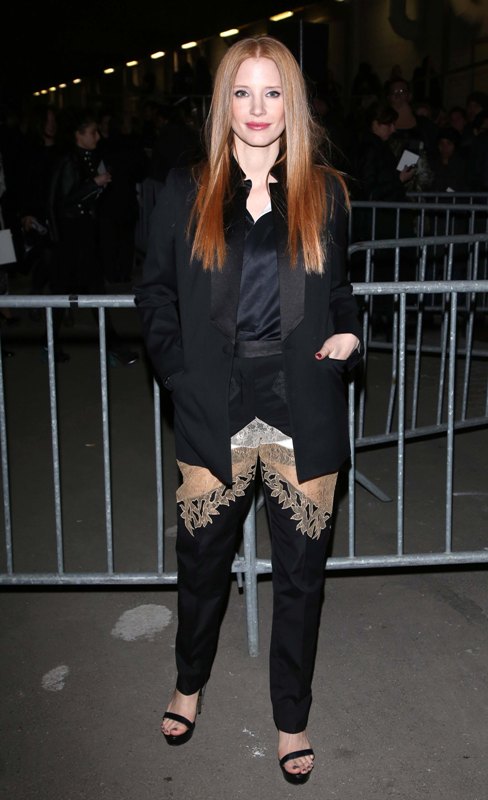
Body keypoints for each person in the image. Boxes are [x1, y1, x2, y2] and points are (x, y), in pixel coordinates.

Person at [135, 35, 362, 784]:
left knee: (301, 579)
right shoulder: (184, 190)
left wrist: (350, 330)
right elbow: (155, 295)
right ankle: (188, 683)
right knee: (201, 566)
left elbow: (340, 290)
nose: (257, 108)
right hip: (215, 406)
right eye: (242, 92)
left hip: (303, 404)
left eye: (272, 92)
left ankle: (292, 717)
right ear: (223, 103)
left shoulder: (325, 192)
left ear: (291, 103)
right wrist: (179, 374)